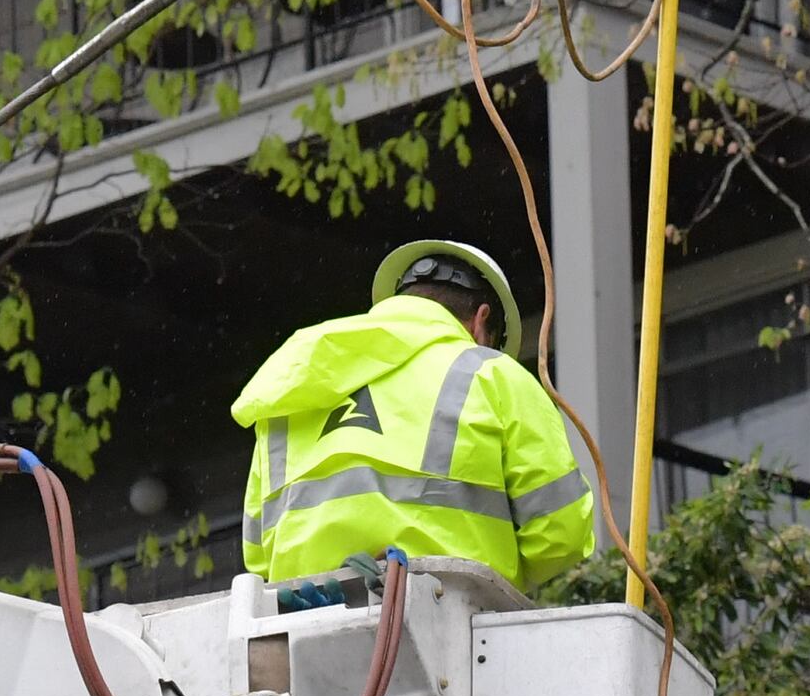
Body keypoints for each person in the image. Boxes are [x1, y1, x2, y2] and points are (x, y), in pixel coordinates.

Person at [232, 241, 597, 593]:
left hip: (308, 624)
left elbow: (259, 557)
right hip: (460, 623)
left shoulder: (291, 378)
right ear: (481, 320)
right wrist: (502, 579)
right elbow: (561, 533)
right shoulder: (492, 373)